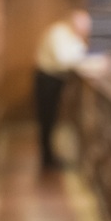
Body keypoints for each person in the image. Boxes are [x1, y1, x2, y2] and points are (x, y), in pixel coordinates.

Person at [34, 10, 89, 170]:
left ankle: (50, 156)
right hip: (47, 79)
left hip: (56, 80)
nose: (86, 31)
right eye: (84, 27)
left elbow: (80, 54)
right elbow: (64, 60)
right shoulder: (58, 33)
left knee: (52, 118)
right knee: (47, 119)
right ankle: (47, 159)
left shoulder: (70, 34)